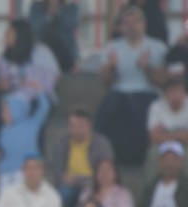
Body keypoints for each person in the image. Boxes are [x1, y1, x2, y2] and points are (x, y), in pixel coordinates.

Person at [96, 5, 167, 166]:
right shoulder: (112, 47)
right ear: (121, 26)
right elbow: (105, 82)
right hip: (119, 93)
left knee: (140, 110)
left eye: (135, 22)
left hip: (146, 93)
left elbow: (163, 82)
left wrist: (147, 67)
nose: (131, 27)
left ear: (144, 24)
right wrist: (111, 67)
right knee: (107, 111)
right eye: (127, 23)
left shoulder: (157, 47)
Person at [47, 106, 115, 207]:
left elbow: (107, 173)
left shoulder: (102, 144)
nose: (76, 130)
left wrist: (76, 179)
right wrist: (69, 179)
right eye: (72, 126)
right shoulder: (61, 143)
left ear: (89, 126)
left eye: (80, 126)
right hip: (68, 187)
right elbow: (56, 172)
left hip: (94, 185)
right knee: (63, 194)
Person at [0, 92, 50, 191]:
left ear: (16, 110)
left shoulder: (31, 124)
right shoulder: (3, 130)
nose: (2, 114)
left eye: (6, 110)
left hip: (26, 172)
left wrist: (39, 91)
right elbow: (5, 150)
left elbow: (44, 108)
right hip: (5, 173)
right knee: (5, 201)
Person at [68, 159, 134, 207]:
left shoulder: (123, 194)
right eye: (101, 170)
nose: (104, 173)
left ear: (116, 173)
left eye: (108, 170)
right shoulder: (87, 192)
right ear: (95, 174)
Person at [145, 78, 188, 181]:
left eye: (179, 92)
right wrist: (181, 134)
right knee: (152, 153)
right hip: (162, 145)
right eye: (172, 92)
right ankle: (150, 190)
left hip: (184, 146)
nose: (176, 96)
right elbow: (153, 138)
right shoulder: (156, 107)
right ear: (165, 95)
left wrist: (165, 133)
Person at [29, 0, 79, 72]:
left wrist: (58, 11)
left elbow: (71, 25)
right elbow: (34, 26)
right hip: (42, 52)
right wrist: (48, 15)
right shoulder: (36, 7)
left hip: (65, 53)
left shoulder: (71, 7)